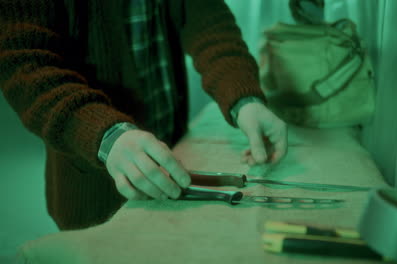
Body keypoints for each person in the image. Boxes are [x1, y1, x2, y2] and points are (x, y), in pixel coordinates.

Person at [0, 0, 288, 230]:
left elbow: (208, 21)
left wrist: (244, 99)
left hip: (175, 162)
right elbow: (24, 64)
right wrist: (107, 136)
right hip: (94, 188)